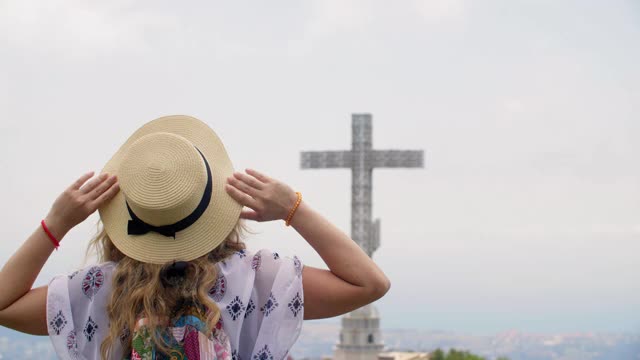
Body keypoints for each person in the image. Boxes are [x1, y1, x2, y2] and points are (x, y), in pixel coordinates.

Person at [0, 115, 390, 360]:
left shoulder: (98, 290)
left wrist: (56, 224)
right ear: (216, 202)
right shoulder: (259, 279)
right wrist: (294, 208)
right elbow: (369, 283)